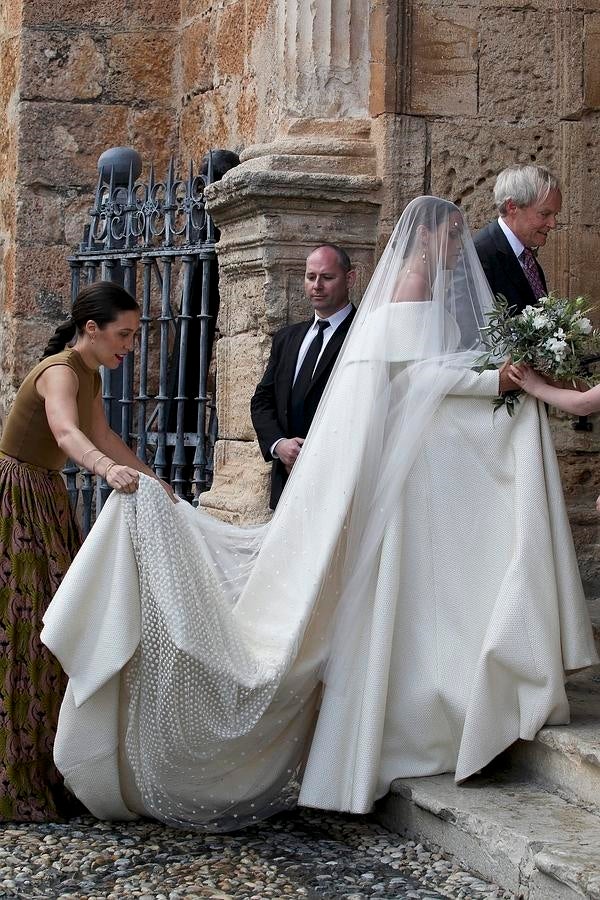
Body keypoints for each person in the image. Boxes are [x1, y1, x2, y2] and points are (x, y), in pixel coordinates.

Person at [41, 197, 598, 832]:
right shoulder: (414, 285)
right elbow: (415, 377)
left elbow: (417, 373)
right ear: (432, 240)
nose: (459, 251)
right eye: (451, 238)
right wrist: (495, 382)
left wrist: (509, 379)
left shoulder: (403, 293)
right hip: (394, 471)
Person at [0, 280, 171, 822]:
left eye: (134, 335)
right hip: (15, 502)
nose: (129, 345)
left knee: (57, 629)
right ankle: (16, 775)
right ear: (91, 330)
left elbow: (105, 435)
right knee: (24, 634)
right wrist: (105, 470)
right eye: (123, 334)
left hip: (44, 499)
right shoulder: (58, 372)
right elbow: (68, 433)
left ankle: (53, 765)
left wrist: (153, 480)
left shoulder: (90, 374)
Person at [251, 244, 356, 508]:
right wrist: (279, 444)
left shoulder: (363, 334)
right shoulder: (287, 338)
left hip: (338, 480)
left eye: (327, 277)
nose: (317, 285)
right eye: (311, 277)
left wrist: (316, 453)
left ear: (350, 278)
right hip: (286, 480)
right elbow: (262, 400)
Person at [474, 164, 561, 312]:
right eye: (544, 214)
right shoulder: (479, 256)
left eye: (555, 215)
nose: (553, 224)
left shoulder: (526, 255)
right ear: (512, 207)